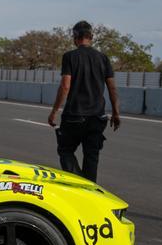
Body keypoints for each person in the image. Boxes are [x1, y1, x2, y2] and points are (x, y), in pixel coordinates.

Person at [47, 21, 120, 183]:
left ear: (75, 37)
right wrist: (116, 113)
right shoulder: (103, 58)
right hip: (97, 117)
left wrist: (54, 112)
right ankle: (89, 192)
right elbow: (112, 88)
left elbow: (65, 86)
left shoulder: (70, 57)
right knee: (91, 158)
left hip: (74, 116)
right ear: (91, 37)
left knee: (65, 150)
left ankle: (78, 182)